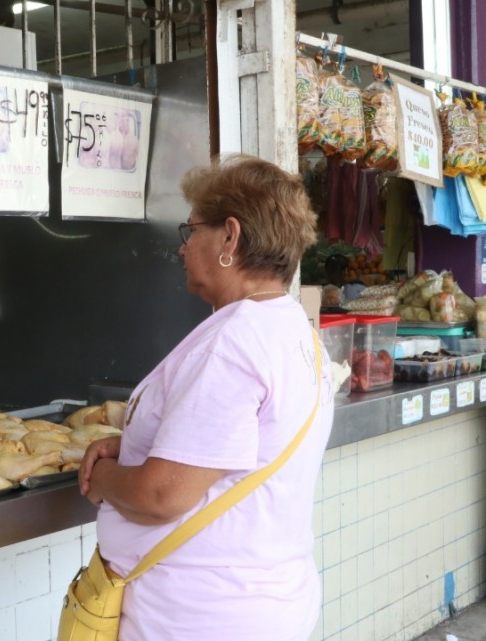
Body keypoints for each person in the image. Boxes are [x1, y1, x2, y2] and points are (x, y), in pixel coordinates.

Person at [78, 154, 335, 641]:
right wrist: (137, 445)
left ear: (230, 237)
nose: (183, 247)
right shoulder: (293, 330)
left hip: (201, 617)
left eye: (192, 230)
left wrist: (104, 477)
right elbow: (238, 454)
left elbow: (163, 496)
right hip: (263, 603)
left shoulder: (234, 343)